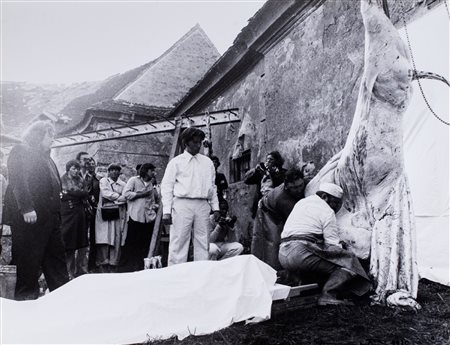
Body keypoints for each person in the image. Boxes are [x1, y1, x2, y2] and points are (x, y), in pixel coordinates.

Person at [3, 120, 69, 300]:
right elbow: (18, 181)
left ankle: (62, 301)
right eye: (50, 135)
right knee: (28, 264)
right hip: (30, 219)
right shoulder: (21, 151)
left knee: (57, 263)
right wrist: (26, 208)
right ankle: (24, 303)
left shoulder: (47, 157)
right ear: (38, 135)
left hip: (51, 219)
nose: (53, 139)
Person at [279, 183, 371, 306]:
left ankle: (301, 284)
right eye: (336, 203)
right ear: (324, 197)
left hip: (282, 253)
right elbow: (333, 246)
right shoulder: (327, 211)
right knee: (348, 264)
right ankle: (328, 295)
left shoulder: (301, 203)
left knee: (318, 259)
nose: (337, 207)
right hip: (300, 253)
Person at [161, 127, 220, 266]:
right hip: (182, 204)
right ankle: (175, 275)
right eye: (194, 142)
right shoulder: (176, 162)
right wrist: (167, 211)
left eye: (200, 142)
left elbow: (212, 186)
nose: (198, 145)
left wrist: (215, 207)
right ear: (186, 143)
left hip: (202, 204)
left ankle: (201, 274)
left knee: (203, 241)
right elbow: (167, 187)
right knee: (179, 241)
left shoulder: (207, 163)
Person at [251, 168, 305, 270]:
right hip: (266, 210)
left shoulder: (306, 183)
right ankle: (271, 271)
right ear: (287, 186)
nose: (299, 190)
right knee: (274, 244)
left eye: (300, 185)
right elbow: (294, 224)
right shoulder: (283, 200)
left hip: (277, 206)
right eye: (294, 187)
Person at [119, 163, 159, 272]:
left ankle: (141, 266)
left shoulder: (151, 184)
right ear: (146, 171)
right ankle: (126, 268)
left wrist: (155, 208)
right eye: (152, 171)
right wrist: (140, 194)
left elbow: (152, 201)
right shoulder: (133, 180)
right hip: (135, 216)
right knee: (131, 243)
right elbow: (126, 194)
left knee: (144, 243)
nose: (154, 173)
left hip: (147, 218)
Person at [60, 159, 89, 279]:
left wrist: (70, 193)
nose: (76, 171)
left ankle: (81, 270)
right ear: (68, 169)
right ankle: (68, 272)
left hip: (80, 213)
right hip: (67, 213)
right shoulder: (62, 179)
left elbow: (85, 193)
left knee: (81, 242)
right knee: (68, 242)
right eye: (73, 168)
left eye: (77, 168)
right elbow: (62, 195)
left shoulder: (81, 179)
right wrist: (77, 193)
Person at [95, 163, 127, 272]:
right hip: (105, 213)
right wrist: (119, 197)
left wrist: (118, 198)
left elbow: (126, 196)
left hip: (118, 213)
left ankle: (114, 263)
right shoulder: (104, 181)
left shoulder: (123, 184)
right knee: (104, 238)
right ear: (109, 172)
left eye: (117, 170)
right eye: (112, 170)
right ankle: (103, 263)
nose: (114, 172)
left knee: (116, 237)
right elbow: (105, 193)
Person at [244, 151, 286, 218]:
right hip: (260, 204)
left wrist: (272, 173)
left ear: (277, 161)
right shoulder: (261, 173)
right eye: (267, 159)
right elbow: (246, 180)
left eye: (271, 159)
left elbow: (281, 183)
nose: (268, 161)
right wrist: (255, 170)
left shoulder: (282, 172)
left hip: (274, 204)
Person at [86, 158, 100, 272]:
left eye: (93, 164)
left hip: (94, 212)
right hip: (84, 211)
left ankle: (92, 265)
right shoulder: (83, 178)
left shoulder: (98, 178)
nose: (91, 166)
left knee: (94, 239)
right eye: (89, 164)